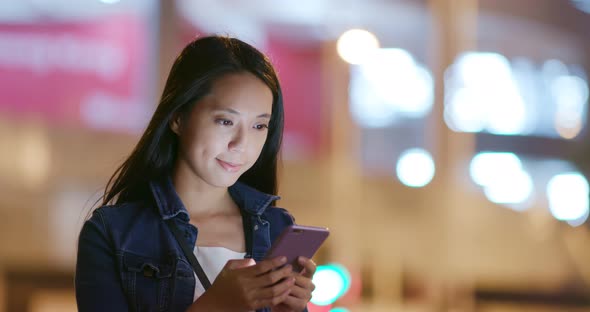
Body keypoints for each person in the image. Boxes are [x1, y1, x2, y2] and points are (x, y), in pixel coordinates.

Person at [75, 35, 316, 312]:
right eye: (226, 121)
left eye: (259, 126)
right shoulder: (112, 232)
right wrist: (217, 305)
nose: (241, 145)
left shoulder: (277, 228)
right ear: (178, 117)